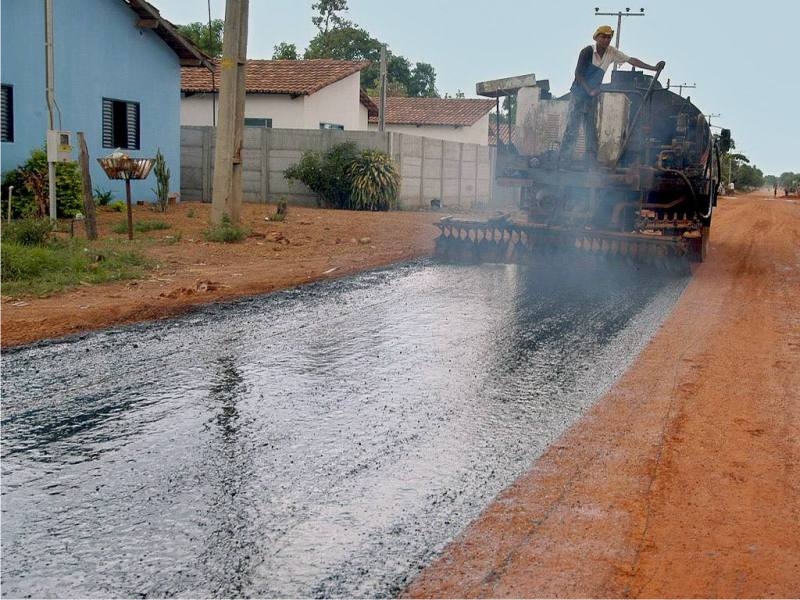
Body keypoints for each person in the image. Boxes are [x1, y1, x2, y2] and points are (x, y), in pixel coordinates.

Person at [560, 25, 665, 166]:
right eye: (603, 37)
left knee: (590, 128)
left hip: (591, 96)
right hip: (579, 93)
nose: (606, 40)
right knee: (573, 126)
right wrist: (589, 90)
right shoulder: (587, 51)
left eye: (609, 37)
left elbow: (631, 60)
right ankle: (563, 160)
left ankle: (590, 161)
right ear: (596, 37)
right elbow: (578, 74)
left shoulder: (611, 52)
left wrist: (653, 68)